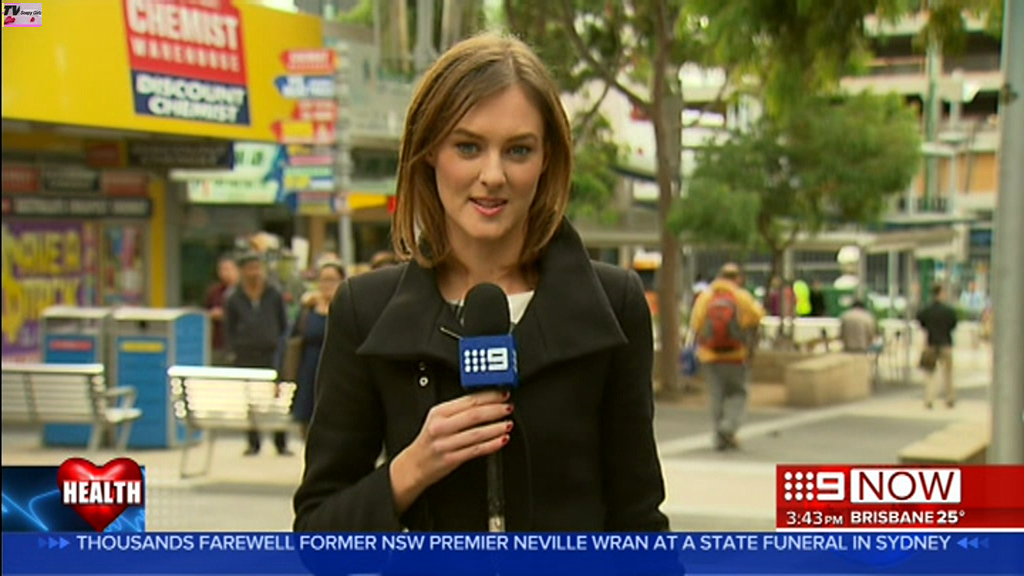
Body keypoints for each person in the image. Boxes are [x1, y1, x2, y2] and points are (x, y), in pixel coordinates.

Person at [293, 33, 668, 532]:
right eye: (468, 146)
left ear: (547, 158)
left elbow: (639, 521)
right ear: (430, 151)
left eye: (518, 150)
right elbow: (318, 534)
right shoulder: (365, 310)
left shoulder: (613, 304)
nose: (493, 175)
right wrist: (413, 467)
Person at [689, 263, 766, 451]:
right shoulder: (741, 297)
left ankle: (720, 437)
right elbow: (758, 316)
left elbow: (696, 324)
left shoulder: (705, 297)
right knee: (738, 393)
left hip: (710, 356)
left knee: (717, 396)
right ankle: (728, 427)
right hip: (736, 355)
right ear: (738, 278)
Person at [225, 252, 291, 455]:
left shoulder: (274, 294)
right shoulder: (234, 298)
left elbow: (283, 323)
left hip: (271, 352)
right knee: (250, 399)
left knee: (276, 397)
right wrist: (232, 350)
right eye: (250, 268)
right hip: (245, 353)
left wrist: (282, 346)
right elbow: (229, 327)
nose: (254, 273)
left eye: (257, 267)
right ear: (242, 271)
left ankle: (280, 442)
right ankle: (253, 442)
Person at [290, 261, 345, 439]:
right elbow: (293, 339)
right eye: (323, 280)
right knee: (308, 425)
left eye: (332, 280)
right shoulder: (308, 309)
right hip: (309, 373)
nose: (327, 285)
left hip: (338, 374)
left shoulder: (348, 308)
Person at [916, 284, 958, 409]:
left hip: (931, 343)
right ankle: (949, 398)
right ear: (940, 294)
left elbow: (920, 321)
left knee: (929, 373)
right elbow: (953, 324)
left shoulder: (927, 311)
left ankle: (929, 399)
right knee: (948, 373)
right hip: (945, 343)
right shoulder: (948, 311)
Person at [204, 254, 238, 366]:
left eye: (228, 269)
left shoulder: (244, 292)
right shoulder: (214, 292)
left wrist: (226, 315)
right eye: (221, 270)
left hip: (238, 343)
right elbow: (205, 311)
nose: (225, 273)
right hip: (217, 342)